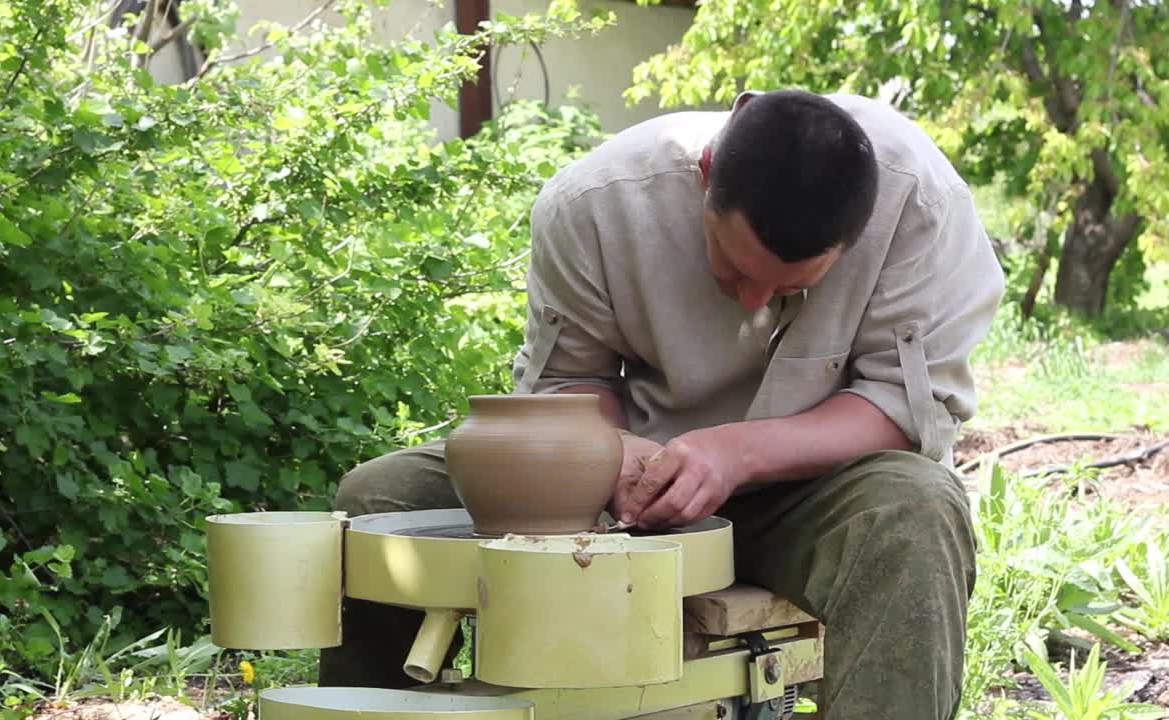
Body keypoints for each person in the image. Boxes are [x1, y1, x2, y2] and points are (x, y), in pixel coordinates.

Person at [318, 88, 1005, 720]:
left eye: (789, 287)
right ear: (707, 174)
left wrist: (735, 454)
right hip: (626, 483)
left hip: (813, 488)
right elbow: (568, 382)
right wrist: (612, 459)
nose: (753, 301)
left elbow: (901, 406)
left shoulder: (920, 205)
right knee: (382, 496)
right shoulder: (594, 204)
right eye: (734, 267)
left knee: (917, 509)